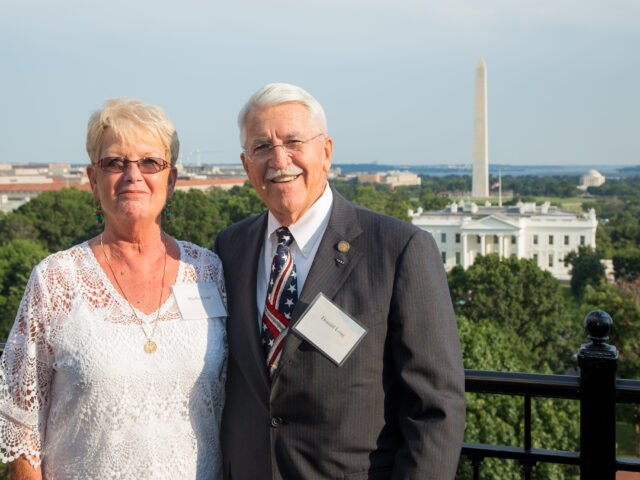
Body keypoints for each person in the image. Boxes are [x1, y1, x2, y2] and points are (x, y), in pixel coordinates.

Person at [214, 83, 465, 479]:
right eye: (261, 147)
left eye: (294, 141)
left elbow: (435, 409)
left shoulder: (399, 250)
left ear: (326, 152)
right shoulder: (230, 247)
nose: (280, 159)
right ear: (246, 164)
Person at [0, 98, 227, 479]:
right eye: (115, 163)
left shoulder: (209, 270)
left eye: (151, 163)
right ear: (93, 179)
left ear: (171, 181)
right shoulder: (55, 279)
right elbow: (22, 429)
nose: (133, 175)